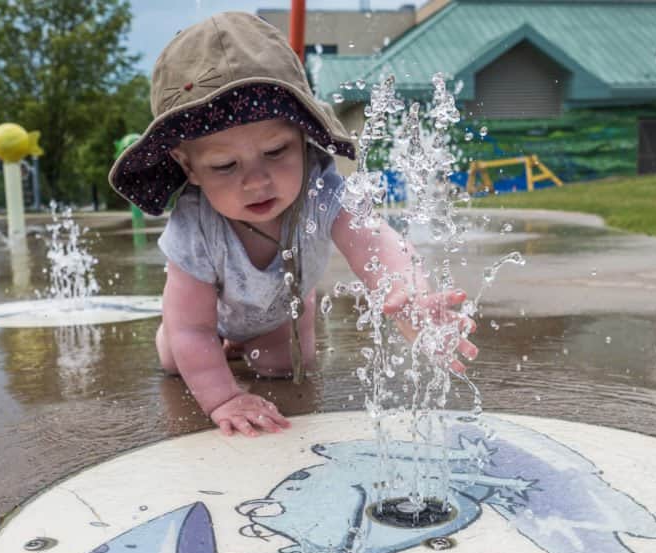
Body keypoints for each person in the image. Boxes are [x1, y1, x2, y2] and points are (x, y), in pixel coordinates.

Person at [109, 12, 477, 437]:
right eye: (226, 165)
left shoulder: (321, 190)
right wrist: (225, 398)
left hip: (282, 311)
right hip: (208, 317)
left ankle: (270, 329)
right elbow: (192, 328)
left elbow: (374, 242)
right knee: (179, 358)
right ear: (188, 166)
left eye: (276, 151)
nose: (256, 180)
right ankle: (200, 342)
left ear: (302, 136)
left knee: (280, 367)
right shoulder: (195, 226)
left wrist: (405, 290)